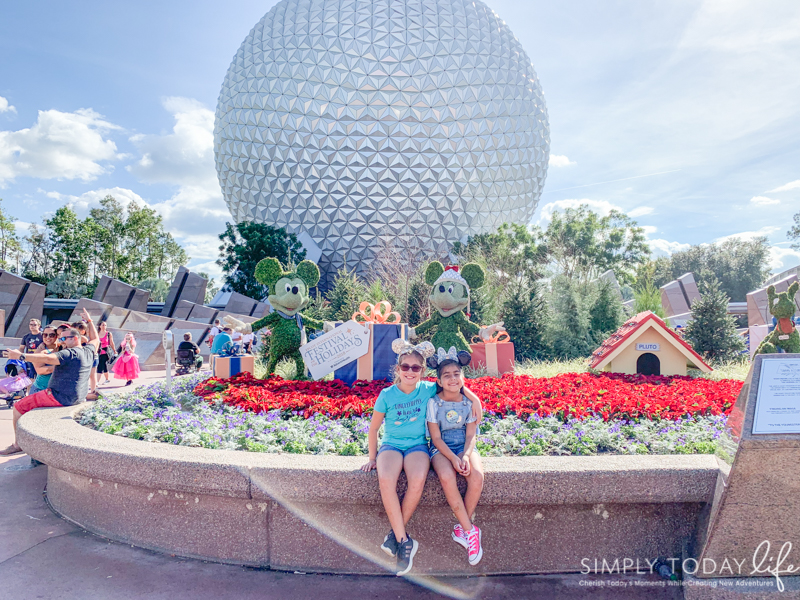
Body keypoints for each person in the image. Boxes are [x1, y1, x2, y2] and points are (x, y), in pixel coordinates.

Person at [360, 340, 483, 576]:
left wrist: (474, 397)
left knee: (418, 479)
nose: (410, 372)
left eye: (415, 368)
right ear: (398, 369)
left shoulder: (427, 389)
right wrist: (372, 457)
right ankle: (405, 541)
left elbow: (454, 384)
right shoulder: (386, 395)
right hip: (391, 446)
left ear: (422, 371)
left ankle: (395, 537)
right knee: (386, 480)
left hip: (417, 446)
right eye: (405, 367)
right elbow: (374, 429)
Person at [0, 308, 99, 456]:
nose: (61, 341)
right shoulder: (89, 350)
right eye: (61, 338)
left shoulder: (69, 353)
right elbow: (95, 339)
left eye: (64, 338)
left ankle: (18, 444)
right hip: (78, 397)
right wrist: (90, 321)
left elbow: (47, 359)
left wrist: (21, 356)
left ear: (76, 338)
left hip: (57, 396)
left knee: (18, 407)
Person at [426, 349, 485, 566]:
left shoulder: (469, 403)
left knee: (476, 476)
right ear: (439, 380)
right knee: (447, 476)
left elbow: (471, 435)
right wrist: (452, 459)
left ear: (462, 377)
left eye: (456, 373)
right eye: (447, 375)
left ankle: (462, 528)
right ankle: (470, 531)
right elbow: (436, 438)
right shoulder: (434, 402)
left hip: (464, 444)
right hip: (441, 448)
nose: (452, 378)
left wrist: (466, 456)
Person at [28, 326, 59, 394]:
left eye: (51, 335)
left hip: (56, 390)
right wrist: (62, 367)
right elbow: (40, 370)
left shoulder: (61, 348)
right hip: (40, 390)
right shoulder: (39, 351)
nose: (48, 337)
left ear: (57, 336)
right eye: (45, 335)